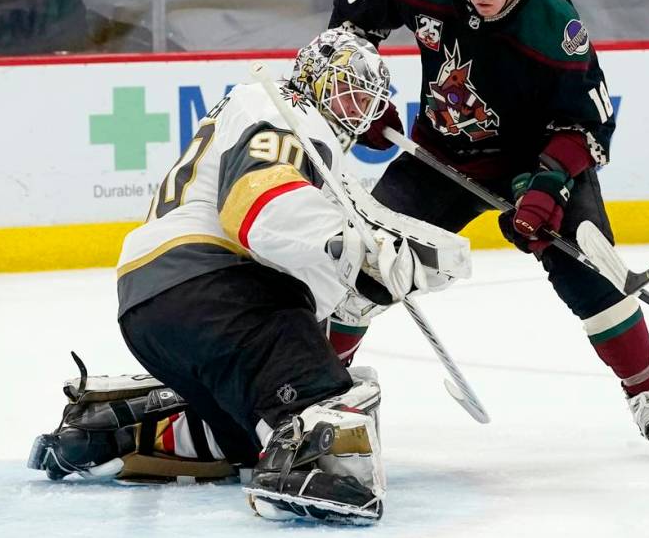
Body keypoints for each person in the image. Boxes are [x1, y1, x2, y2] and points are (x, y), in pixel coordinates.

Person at [28, 28, 471, 524]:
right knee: (332, 404)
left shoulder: (282, 120)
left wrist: (364, 280)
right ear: (313, 79)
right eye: (348, 88)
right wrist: (361, 250)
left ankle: (115, 426)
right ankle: (297, 464)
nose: (356, 106)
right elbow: (257, 207)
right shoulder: (284, 108)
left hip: (155, 304)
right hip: (212, 287)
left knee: (243, 437)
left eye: (365, 97)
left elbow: (297, 255)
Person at [327, 0, 649, 448]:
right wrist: (362, 91)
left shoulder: (553, 23)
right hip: (442, 158)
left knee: (594, 279)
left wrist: (549, 183)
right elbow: (350, 21)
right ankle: (317, 384)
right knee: (366, 263)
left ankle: (647, 390)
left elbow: (588, 124)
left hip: (531, 160)